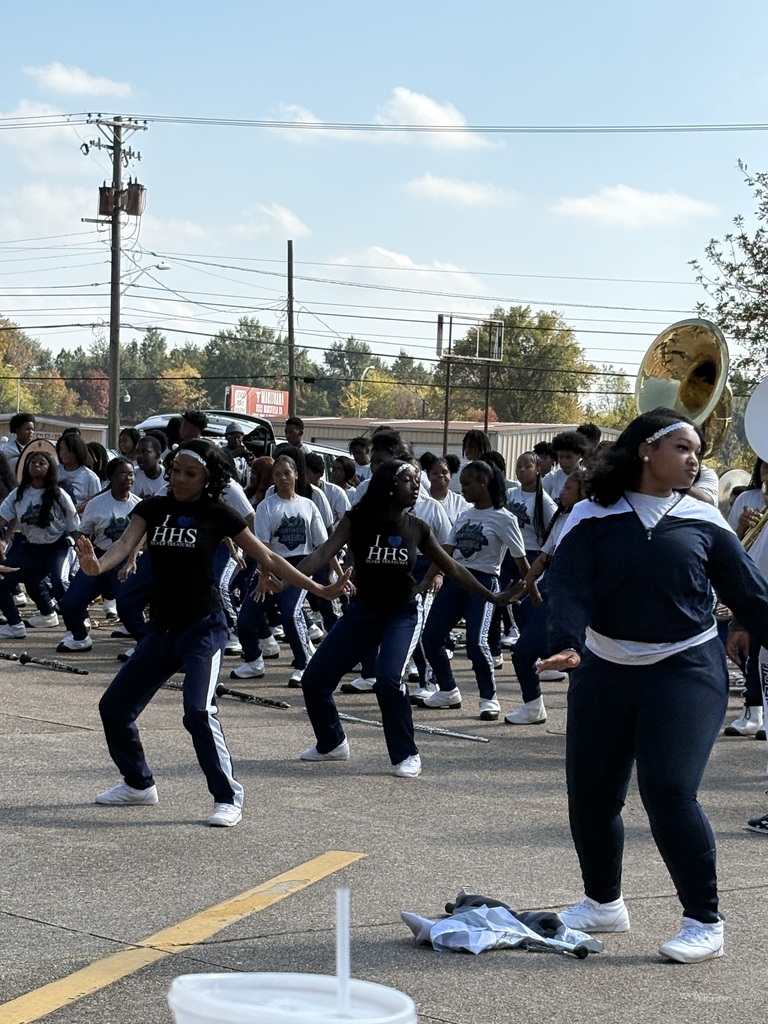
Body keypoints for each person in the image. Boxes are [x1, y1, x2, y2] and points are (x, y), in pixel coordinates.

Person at [537, 408, 768, 963]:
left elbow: (752, 594)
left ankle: (703, 920)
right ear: (647, 450)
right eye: (684, 449)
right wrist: (566, 639)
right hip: (604, 668)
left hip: (685, 670)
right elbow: (567, 585)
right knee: (591, 794)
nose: (694, 460)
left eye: (697, 453)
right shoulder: (592, 515)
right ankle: (602, 904)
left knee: (668, 790)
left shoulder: (703, 518)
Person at [75, 439, 351, 829]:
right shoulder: (153, 508)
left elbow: (268, 558)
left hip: (203, 628)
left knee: (198, 711)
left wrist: (319, 589)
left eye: (191, 474)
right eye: (176, 471)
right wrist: (96, 567)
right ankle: (138, 785)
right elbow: (123, 544)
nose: (179, 479)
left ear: (208, 478)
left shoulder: (218, 514)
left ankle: (228, 796)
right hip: (162, 629)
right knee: (114, 708)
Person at [292, 460, 522, 777]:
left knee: (388, 679)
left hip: (402, 613)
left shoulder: (417, 528)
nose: (416, 486)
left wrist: (493, 596)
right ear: (388, 485)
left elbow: (453, 567)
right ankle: (332, 743)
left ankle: (406, 754)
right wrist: (285, 578)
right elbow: (321, 553)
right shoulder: (357, 519)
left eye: (417, 480)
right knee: (314, 680)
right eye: (408, 480)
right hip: (363, 611)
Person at [419, 460, 531, 720]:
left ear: (484, 483)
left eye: (467, 484)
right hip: (454, 580)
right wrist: (427, 579)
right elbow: (445, 553)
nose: (463, 489)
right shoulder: (464, 515)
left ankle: (488, 697)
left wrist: (534, 594)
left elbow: (521, 560)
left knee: (476, 643)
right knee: (431, 637)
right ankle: (447, 689)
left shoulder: (504, 517)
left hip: (483, 583)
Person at [57, 457, 141, 652]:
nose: (128, 478)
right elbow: (83, 532)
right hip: (100, 557)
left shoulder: (139, 505)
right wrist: (84, 557)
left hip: (127, 561)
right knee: (70, 601)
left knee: (128, 607)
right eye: (123, 473)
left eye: (131, 474)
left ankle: (143, 645)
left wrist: (132, 560)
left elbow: (141, 539)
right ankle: (79, 638)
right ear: (111, 476)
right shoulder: (96, 504)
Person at [0, 450, 79, 638]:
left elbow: (74, 526)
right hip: (31, 547)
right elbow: (2, 519)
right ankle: (15, 625)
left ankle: (76, 628)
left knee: (60, 583)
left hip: (57, 546)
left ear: (50, 468)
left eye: (41, 463)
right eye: (32, 463)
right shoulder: (18, 494)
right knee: (3, 581)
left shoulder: (59, 494)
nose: (36, 466)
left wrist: (81, 550)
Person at [56, 433, 101, 510]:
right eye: (61, 449)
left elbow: (97, 504)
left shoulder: (90, 477)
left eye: (67, 449)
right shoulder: (54, 471)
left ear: (77, 451)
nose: (63, 453)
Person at [542, 431, 590, 501]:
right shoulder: (550, 478)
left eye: (569, 457)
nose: (564, 462)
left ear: (579, 455)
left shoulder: (587, 478)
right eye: (561, 457)